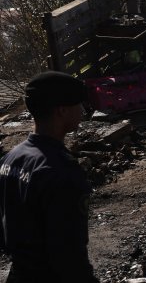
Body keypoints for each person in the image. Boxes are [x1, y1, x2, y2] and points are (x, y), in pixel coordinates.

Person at [0, 71, 100, 283]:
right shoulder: (61, 172)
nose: (83, 110)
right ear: (61, 110)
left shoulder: (10, 159)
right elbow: (69, 255)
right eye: (78, 104)